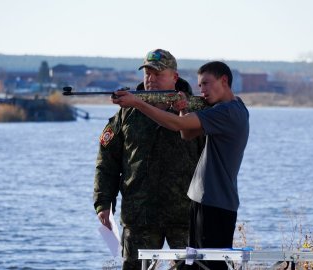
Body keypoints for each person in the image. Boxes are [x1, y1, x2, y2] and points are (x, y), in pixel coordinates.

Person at [113, 61, 250, 270]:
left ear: (224, 81)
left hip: (215, 203)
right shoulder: (230, 107)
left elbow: (177, 126)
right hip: (203, 200)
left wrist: (138, 103)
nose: (202, 90)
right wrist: (183, 109)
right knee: (197, 264)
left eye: (206, 83)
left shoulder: (227, 112)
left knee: (209, 266)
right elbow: (186, 134)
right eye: (199, 85)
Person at [93, 49, 204, 270]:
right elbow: (107, 160)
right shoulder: (127, 113)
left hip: (184, 215)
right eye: (147, 73)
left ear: (175, 77)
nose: (150, 79)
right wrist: (103, 202)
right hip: (140, 215)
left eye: (158, 73)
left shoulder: (195, 110)